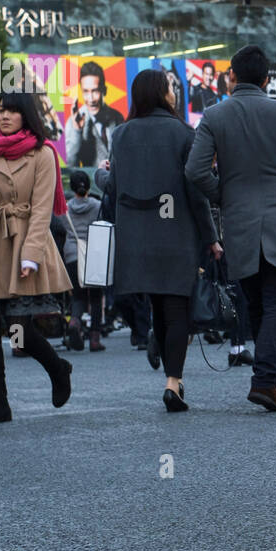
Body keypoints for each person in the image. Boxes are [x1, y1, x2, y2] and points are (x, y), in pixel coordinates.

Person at [186, 45, 276, 412]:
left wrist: (225, 195)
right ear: (266, 80)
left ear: (231, 76)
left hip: (239, 224)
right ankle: (264, 380)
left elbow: (195, 171)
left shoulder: (214, 115)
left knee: (259, 307)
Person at [0, 92, 74, 424]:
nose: (4, 116)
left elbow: (41, 210)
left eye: (13, 111)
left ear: (27, 116)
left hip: (24, 241)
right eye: (1, 110)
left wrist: (32, 255)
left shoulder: (43, 153)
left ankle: (57, 367)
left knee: (19, 329)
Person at [102, 70, 218, 411]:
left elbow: (112, 186)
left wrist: (100, 173)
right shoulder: (183, 133)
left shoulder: (120, 134)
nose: (174, 92)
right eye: (170, 87)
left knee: (158, 303)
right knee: (177, 307)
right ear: (161, 93)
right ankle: (173, 382)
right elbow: (196, 193)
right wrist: (210, 237)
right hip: (176, 234)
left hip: (136, 237)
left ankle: (159, 344)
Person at [56, 169, 105, 352]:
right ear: (88, 186)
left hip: (72, 254)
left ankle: (75, 322)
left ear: (72, 187)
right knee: (96, 297)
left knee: (78, 296)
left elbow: (59, 226)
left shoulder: (65, 209)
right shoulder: (97, 205)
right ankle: (94, 339)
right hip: (94, 253)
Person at [64, 61, 123, 169]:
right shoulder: (73, 122)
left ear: (104, 91)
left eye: (95, 91)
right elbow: (71, 164)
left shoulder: (117, 117)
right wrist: (77, 131)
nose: (90, 99)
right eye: (86, 92)